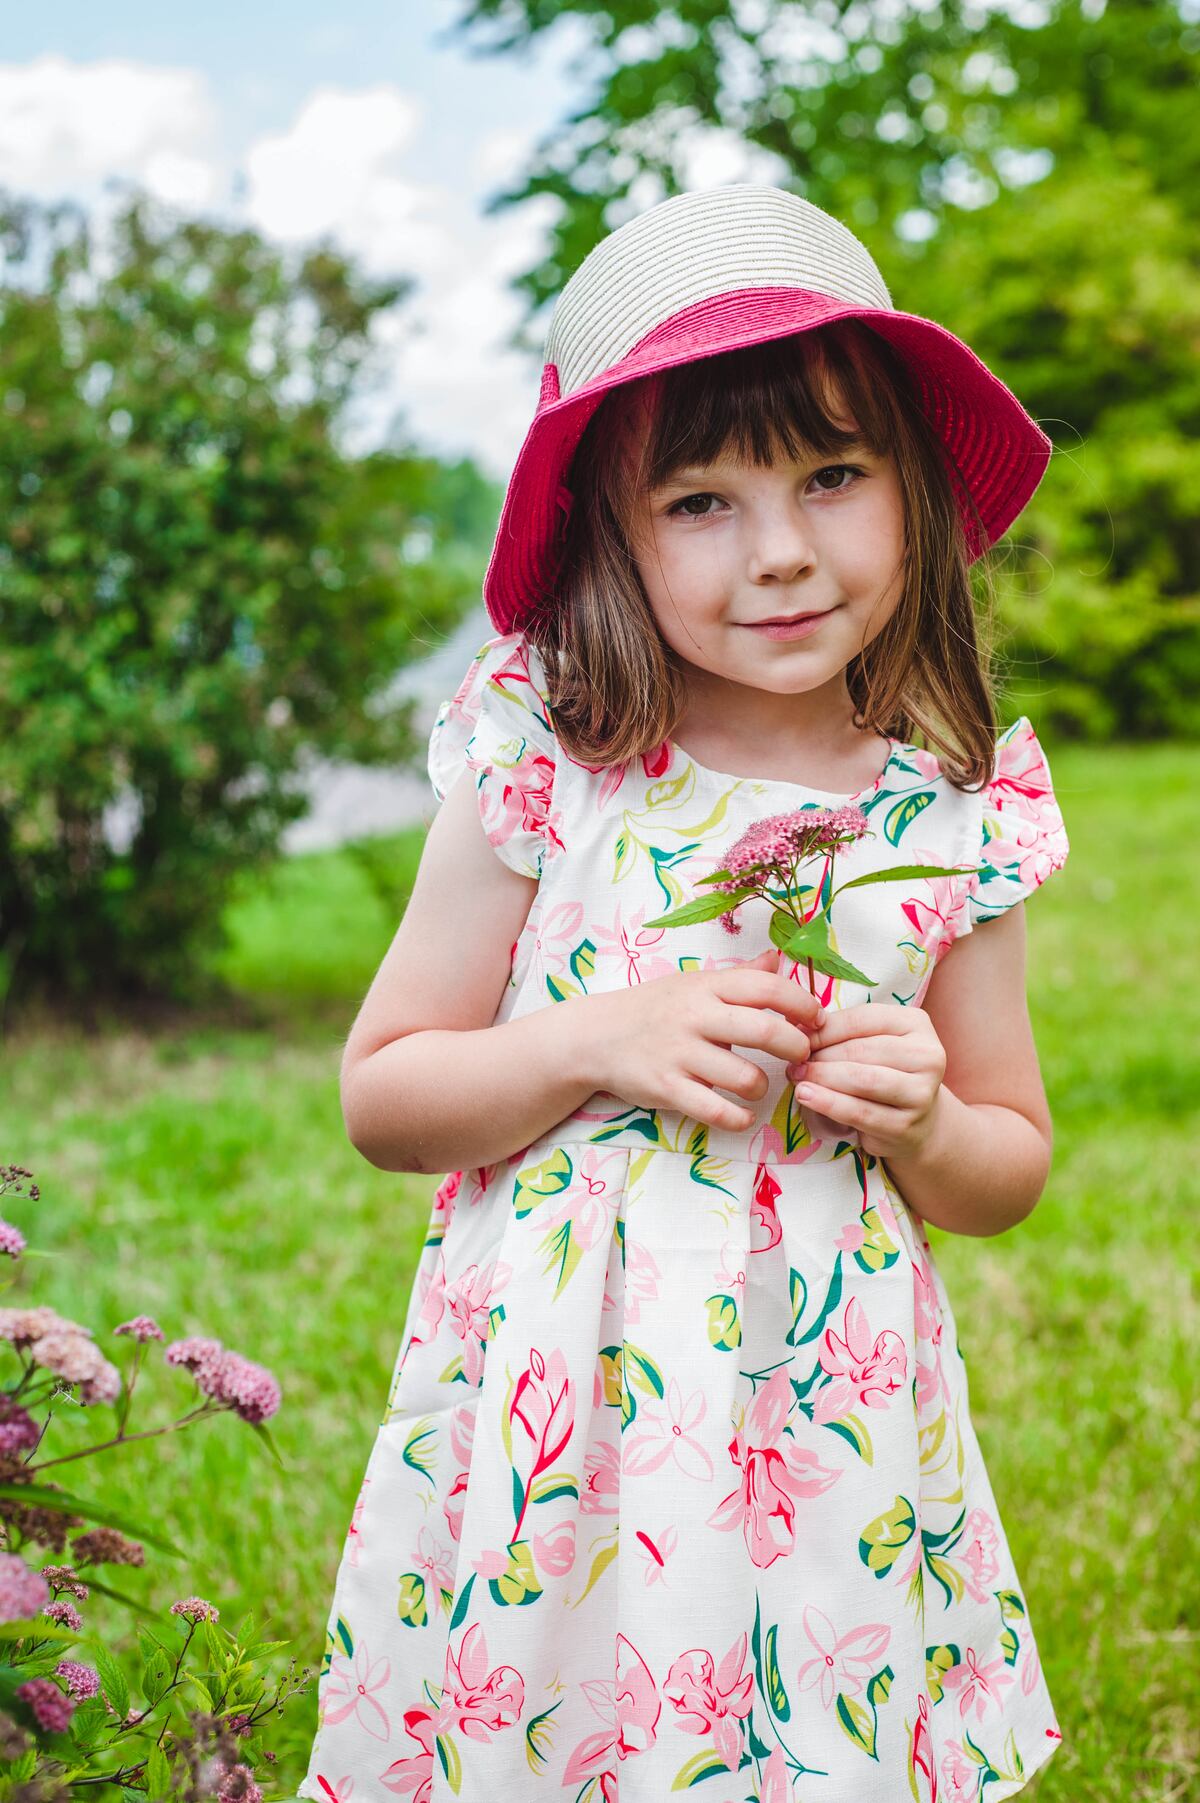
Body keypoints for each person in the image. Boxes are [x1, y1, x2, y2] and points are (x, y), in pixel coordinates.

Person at [298, 184, 1069, 1803]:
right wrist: (593, 1038)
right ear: (609, 532)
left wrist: (924, 1116)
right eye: (701, 502)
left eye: (833, 476)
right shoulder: (557, 752)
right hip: (566, 1418)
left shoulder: (951, 801)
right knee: (556, 1729)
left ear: (914, 487)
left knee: (819, 1736)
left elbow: (1008, 1160)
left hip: (827, 1429)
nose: (782, 551)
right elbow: (385, 1090)